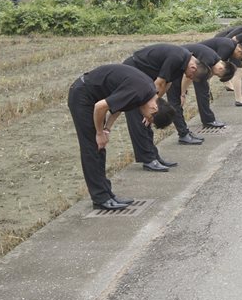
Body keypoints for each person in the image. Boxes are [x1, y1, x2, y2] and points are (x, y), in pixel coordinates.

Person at [68, 64, 176, 210]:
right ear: (154, 108)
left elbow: (119, 105)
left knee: (100, 147)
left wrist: (106, 129)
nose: (146, 119)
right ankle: (100, 198)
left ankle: (107, 194)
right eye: (150, 118)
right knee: (92, 147)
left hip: (92, 97)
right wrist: (99, 133)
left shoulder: (147, 93)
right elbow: (100, 107)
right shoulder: (138, 92)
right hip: (82, 96)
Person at [123, 44, 210, 170]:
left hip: (143, 78)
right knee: (138, 119)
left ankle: (154, 156)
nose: (188, 78)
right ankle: (148, 160)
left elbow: (167, 84)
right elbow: (159, 83)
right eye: (191, 76)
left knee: (149, 119)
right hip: (131, 74)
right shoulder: (177, 57)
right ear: (193, 67)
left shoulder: (182, 62)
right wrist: (151, 106)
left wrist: (154, 105)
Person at [169, 43, 237, 145]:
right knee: (176, 101)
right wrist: (182, 94)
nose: (215, 75)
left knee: (203, 91)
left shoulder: (214, 59)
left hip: (177, 64)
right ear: (221, 69)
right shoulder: (209, 60)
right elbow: (188, 77)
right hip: (174, 65)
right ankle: (183, 134)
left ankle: (201, 123)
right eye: (218, 75)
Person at [184, 38, 242, 130]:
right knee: (202, 92)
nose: (239, 59)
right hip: (196, 61)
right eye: (241, 57)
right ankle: (208, 120)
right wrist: (184, 90)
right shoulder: (227, 48)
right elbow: (216, 67)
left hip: (198, 61)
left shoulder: (229, 46)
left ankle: (207, 120)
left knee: (202, 90)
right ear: (240, 51)